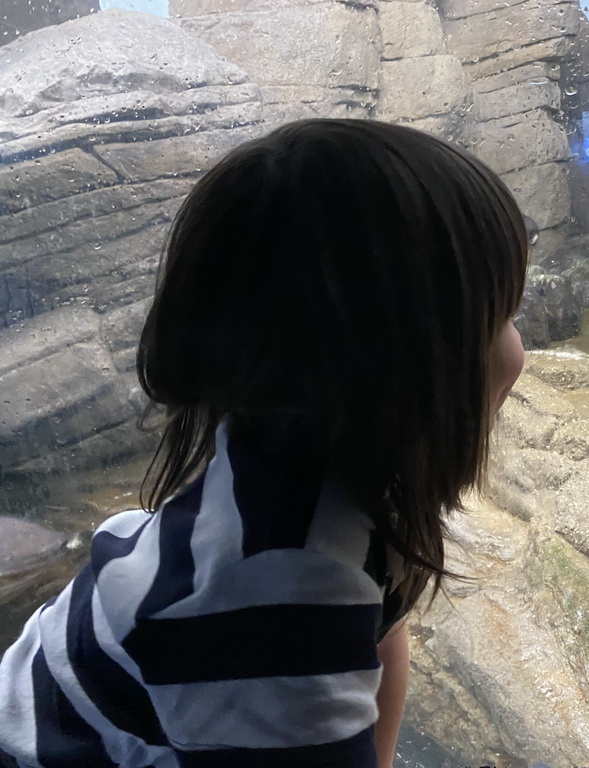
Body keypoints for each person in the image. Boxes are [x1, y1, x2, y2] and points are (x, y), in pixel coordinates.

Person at [0, 118, 528, 768]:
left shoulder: (305, 456)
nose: (518, 352)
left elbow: (383, 636)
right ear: (403, 367)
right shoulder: (283, 599)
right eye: (498, 317)